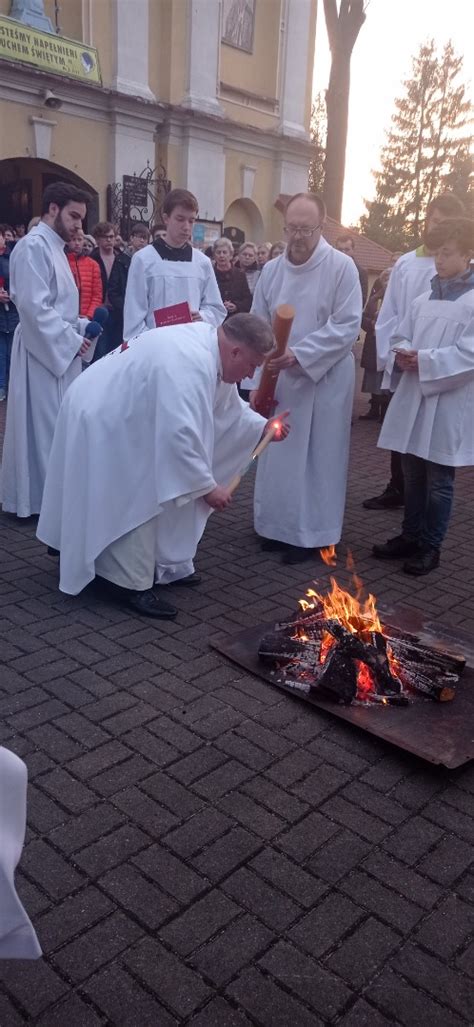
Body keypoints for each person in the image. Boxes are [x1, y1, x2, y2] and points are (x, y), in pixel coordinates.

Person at [36, 314, 286, 617]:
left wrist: (260, 429)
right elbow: (181, 433)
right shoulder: (189, 361)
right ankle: (128, 583)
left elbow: (225, 409)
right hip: (101, 414)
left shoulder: (209, 349)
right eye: (252, 366)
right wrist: (207, 488)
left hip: (120, 409)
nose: (250, 377)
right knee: (138, 492)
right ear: (235, 351)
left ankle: (131, 559)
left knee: (151, 479)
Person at [249, 191, 362, 563]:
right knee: (279, 455)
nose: (297, 237)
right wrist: (264, 361)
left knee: (318, 458)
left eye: (305, 229)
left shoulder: (342, 267)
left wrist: (300, 354)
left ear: (321, 226)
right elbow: (258, 321)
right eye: (291, 228)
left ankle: (313, 535)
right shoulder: (271, 270)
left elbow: (347, 325)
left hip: (323, 378)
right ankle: (275, 528)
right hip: (280, 378)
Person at [374, 217, 474, 576]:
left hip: (449, 401)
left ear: (468, 254)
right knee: (411, 471)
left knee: (439, 480)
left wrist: (427, 360)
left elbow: (470, 354)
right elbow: (400, 334)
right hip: (415, 394)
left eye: (447, 254)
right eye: (437, 254)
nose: (440, 261)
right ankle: (410, 535)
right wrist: (403, 352)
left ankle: (431, 546)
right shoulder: (422, 298)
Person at [363, 192, 466, 510]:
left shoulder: (466, 280)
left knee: (435, 450)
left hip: (443, 371)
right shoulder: (407, 264)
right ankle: (398, 489)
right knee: (403, 433)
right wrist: (395, 355)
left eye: (446, 225)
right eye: (435, 221)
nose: (439, 231)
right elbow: (393, 314)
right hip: (407, 365)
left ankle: (427, 521)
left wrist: (428, 360)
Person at [1, 181, 93, 518]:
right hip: (41, 353)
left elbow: (59, 306)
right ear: (52, 209)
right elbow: (33, 306)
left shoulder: (56, 247)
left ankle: (50, 498)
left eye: (81, 219)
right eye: (73, 216)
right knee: (41, 427)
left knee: (54, 427)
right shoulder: (32, 246)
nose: (78, 225)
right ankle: (34, 500)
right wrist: (70, 339)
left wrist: (81, 327)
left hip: (58, 349)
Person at [123, 189, 226, 340]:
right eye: (180, 219)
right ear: (166, 218)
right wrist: (155, 345)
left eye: (191, 220)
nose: (186, 226)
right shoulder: (143, 260)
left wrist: (202, 316)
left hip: (192, 343)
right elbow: (134, 316)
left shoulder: (202, 262)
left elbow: (216, 309)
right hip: (155, 348)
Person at [91, 221, 130, 357]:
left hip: (118, 311)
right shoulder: (92, 259)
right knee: (100, 351)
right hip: (100, 310)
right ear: (97, 239)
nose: (109, 240)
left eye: (112, 236)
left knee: (118, 350)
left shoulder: (123, 260)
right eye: (105, 237)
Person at [359, 268, 391, 420]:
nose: (387, 281)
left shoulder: (397, 297)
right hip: (373, 342)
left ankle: (385, 411)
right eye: (384, 278)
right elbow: (363, 318)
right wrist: (371, 324)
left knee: (386, 379)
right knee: (373, 376)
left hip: (389, 344)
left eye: (390, 278)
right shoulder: (374, 297)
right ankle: (373, 409)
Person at [0, 224, 19, 402]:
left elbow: (20, 280)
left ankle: (13, 386)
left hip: (12, 313)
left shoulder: (12, 257)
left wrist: (11, 295)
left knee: (13, 353)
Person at [66, 228, 103, 318]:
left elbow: (97, 295)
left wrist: (88, 315)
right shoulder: (62, 261)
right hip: (66, 317)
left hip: (86, 317)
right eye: (73, 239)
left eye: (79, 239)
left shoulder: (93, 265)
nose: (77, 243)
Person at [213, 237, 252, 319]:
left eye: (224, 252)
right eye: (218, 252)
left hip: (235, 319)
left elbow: (248, 300)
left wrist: (236, 306)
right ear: (214, 255)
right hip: (215, 318)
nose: (221, 255)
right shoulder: (210, 274)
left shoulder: (240, 274)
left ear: (231, 255)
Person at [335, 234, 368, 306]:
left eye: (347, 250)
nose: (343, 253)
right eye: (340, 250)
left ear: (353, 250)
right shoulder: (329, 269)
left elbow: (361, 301)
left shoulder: (361, 273)